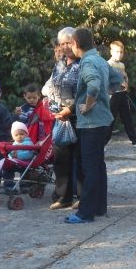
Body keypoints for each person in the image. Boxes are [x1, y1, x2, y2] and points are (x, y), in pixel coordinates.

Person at [63, 28, 114, 224]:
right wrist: (104, 99)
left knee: (90, 168)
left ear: (76, 44)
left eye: (70, 44)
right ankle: (99, 207)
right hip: (104, 121)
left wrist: (89, 104)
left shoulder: (87, 62)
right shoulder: (100, 60)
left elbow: (93, 85)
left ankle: (85, 213)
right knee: (98, 165)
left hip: (91, 123)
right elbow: (118, 80)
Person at [42, 26, 81, 210]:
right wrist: (49, 101)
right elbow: (51, 86)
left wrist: (70, 109)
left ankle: (82, 197)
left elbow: (86, 93)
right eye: (62, 43)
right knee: (60, 159)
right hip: (59, 117)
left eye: (69, 42)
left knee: (80, 159)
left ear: (76, 42)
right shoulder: (59, 64)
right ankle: (63, 196)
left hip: (77, 116)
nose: (65, 46)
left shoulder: (83, 64)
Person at [107, 40, 136, 148]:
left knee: (127, 118)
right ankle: (102, 143)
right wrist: (118, 84)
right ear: (111, 52)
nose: (119, 54)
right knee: (110, 119)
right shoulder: (108, 64)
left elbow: (124, 76)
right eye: (117, 52)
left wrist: (126, 82)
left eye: (121, 52)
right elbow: (107, 80)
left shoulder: (122, 65)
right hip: (113, 95)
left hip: (122, 94)